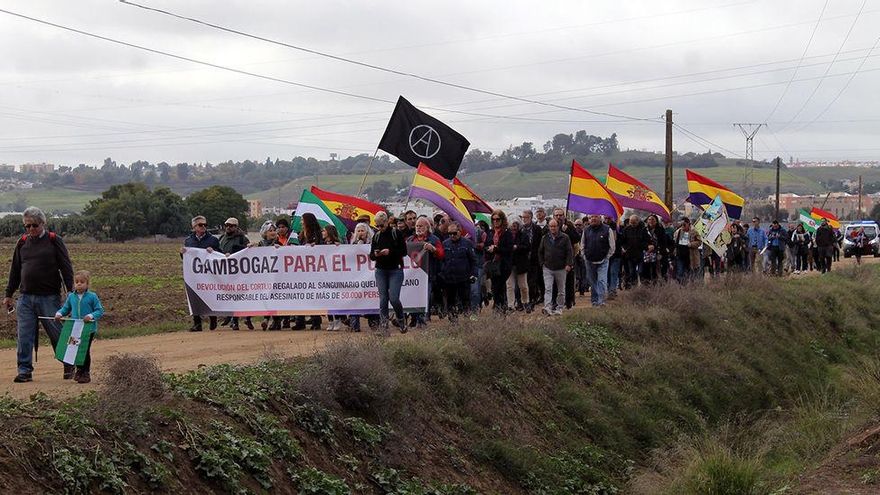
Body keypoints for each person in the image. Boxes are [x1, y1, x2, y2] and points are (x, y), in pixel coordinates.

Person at [5, 207, 75, 383]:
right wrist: (8, 294)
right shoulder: (22, 243)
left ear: (43, 223)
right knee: (25, 335)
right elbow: (15, 270)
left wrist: (72, 294)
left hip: (49, 297)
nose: (30, 229)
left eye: (33, 225)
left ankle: (68, 364)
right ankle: (24, 371)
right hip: (26, 298)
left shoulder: (54, 241)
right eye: (26, 226)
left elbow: (66, 268)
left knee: (56, 334)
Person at [54, 270, 104, 384]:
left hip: (88, 329)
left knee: (84, 350)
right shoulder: (71, 296)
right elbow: (65, 309)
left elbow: (99, 311)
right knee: (74, 349)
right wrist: (59, 314)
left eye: (82, 282)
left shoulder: (92, 296)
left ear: (87, 284)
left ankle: (85, 373)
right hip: (75, 329)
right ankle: (79, 371)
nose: (79, 284)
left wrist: (90, 316)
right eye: (77, 282)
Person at [181, 215, 219, 332]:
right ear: (194, 227)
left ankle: (213, 317)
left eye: (205, 225)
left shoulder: (213, 240)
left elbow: (220, 255)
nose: (203, 227)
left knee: (210, 295)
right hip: (195, 275)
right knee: (194, 297)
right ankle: (197, 323)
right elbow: (186, 259)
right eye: (200, 225)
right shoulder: (188, 241)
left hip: (210, 274)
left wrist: (213, 252)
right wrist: (182, 253)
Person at [370, 211, 407, 332]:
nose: (380, 228)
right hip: (381, 270)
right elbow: (371, 256)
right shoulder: (376, 236)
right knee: (383, 298)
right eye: (378, 226)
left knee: (394, 298)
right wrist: (376, 254)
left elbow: (404, 251)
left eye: (382, 225)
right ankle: (384, 326)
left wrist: (390, 251)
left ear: (387, 222)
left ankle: (401, 319)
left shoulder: (396, 233)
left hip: (395, 269)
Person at [406, 217, 444, 328]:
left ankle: (422, 320)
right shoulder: (410, 240)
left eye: (421, 226)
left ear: (427, 227)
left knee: (424, 297)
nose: (418, 228)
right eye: (417, 226)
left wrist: (433, 249)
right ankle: (414, 318)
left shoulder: (434, 239)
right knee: (412, 298)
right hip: (412, 275)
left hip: (427, 274)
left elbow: (441, 254)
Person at [219, 217, 253, 331]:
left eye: (231, 226)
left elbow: (248, 251)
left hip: (240, 271)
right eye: (227, 225)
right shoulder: (222, 238)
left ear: (236, 227)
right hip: (225, 272)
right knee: (231, 296)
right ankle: (233, 319)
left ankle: (246, 318)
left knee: (242, 296)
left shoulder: (242, 238)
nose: (229, 227)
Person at [440, 222, 477, 320]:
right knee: (451, 301)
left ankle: (467, 319)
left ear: (460, 232)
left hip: (463, 277)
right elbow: (442, 260)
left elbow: (473, 260)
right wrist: (443, 273)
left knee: (465, 300)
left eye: (454, 233)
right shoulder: (445, 243)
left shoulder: (467, 243)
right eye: (450, 234)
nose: (452, 236)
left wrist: (474, 274)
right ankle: (453, 321)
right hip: (449, 278)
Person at [293, 213, 324, 330]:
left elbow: (322, 249)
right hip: (301, 270)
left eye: (302, 220)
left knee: (312, 296)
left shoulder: (317, 234)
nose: (301, 222)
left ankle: (316, 321)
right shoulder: (301, 235)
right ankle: (299, 321)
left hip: (313, 270)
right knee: (300, 295)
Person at [538, 219, 574, 315]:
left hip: (561, 268)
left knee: (561, 290)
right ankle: (547, 307)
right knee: (548, 288)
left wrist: (568, 264)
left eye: (554, 226)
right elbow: (540, 252)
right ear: (549, 227)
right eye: (551, 226)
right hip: (547, 268)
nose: (553, 228)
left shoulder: (565, 237)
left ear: (558, 227)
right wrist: (542, 264)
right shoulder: (545, 238)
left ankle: (559, 308)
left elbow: (569, 252)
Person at [484, 209, 513, 313]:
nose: (495, 221)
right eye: (493, 219)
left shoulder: (507, 233)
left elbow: (509, 249)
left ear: (502, 220)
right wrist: (489, 248)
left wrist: (496, 249)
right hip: (493, 264)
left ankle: (500, 308)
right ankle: (499, 307)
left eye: (498, 219)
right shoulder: (490, 232)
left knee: (500, 286)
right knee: (495, 287)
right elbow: (486, 245)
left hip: (504, 264)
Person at [582, 214, 614, 307]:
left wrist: (607, 257)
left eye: (595, 217)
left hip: (603, 260)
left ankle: (601, 301)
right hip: (589, 260)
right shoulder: (586, 230)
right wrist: (584, 255)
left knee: (601, 281)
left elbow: (612, 246)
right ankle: (594, 301)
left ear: (600, 218)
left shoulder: (607, 229)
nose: (593, 219)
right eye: (591, 217)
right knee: (592, 281)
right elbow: (582, 244)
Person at [347, 222, 374, 332]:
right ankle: (354, 324)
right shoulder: (352, 245)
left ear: (367, 232)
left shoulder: (373, 243)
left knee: (371, 298)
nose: (360, 233)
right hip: (356, 277)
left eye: (362, 231)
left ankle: (374, 321)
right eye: (358, 231)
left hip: (370, 276)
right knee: (355, 299)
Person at [521, 210, 544, 308]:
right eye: (523, 217)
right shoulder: (520, 229)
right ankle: (524, 301)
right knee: (523, 282)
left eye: (526, 217)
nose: (524, 219)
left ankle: (532, 300)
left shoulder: (537, 229)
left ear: (531, 218)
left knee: (532, 281)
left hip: (534, 259)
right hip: (523, 260)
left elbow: (540, 244)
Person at [507, 220, 531, 312]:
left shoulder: (523, 235)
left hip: (521, 264)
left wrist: (518, 247)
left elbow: (528, 247)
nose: (513, 228)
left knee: (523, 285)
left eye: (515, 226)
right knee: (510, 285)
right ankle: (510, 305)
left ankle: (525, 302)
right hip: (510, 264)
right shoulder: (507, 235)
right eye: (512, 226)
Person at [619, 214, 648, 289]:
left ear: (637, 221)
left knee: (641, 271)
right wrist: (625, 248)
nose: (632, 224)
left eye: (634, 222)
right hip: (630, 254)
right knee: (632, 272)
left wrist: (644, 246)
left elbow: (646, 240)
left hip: (640, 253)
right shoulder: (626, 229)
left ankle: (643, 285)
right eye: (631, 222)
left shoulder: (643, 229)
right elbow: (622, 241)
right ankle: (634, 286)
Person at [673, 218, 702, 282]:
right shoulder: (677, 232)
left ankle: (688, 285)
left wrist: (691, 244)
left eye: (684, 224)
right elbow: (674, 242)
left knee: (689, 271)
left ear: (688, 224)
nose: (682, 226)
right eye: (681, 225)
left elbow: (699, 242)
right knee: (680, 271)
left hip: (690, 255)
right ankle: (681, 286)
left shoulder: (694, 232)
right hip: (680, 255)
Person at [469, 219, 488, 311]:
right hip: (467, 265)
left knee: (475, 289)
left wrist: (475, 244)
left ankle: (475, 310)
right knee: (473, 289)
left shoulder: (479, 232)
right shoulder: (458, 231)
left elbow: (485, 244)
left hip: (478, 264)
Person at [642, 214, 666, 284]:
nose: (651, 221)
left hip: (657, 252)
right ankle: (646, 284)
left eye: (653, 219)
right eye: (649, 219)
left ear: (656, 221)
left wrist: (654, 246)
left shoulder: (661, 230)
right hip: (647, 252)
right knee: (646, 269)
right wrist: (647, 246)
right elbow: (641, 241)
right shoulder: (644, 230)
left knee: (656, 269)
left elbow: (663, 242)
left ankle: (656, 284)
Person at [605, 217, 622, 298]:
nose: (607, 219)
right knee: (607, 273)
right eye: (605, 218)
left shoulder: (618, 228)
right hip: (606, 254)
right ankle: (609, 289)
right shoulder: (603, 228)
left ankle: (612, 290)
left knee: (613, 272)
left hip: (616, 254)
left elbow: (621, 239)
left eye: (608, 218)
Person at [573, 218, 589, 295]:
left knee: (584, 273)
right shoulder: (572, 234)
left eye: (579, 225)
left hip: (583, 255)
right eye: (576, 225)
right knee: (576, 273)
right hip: (575, 255)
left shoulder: (585, 233)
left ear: (582, 225)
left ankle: (582, 289)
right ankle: (576, 287)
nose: (577, 226)